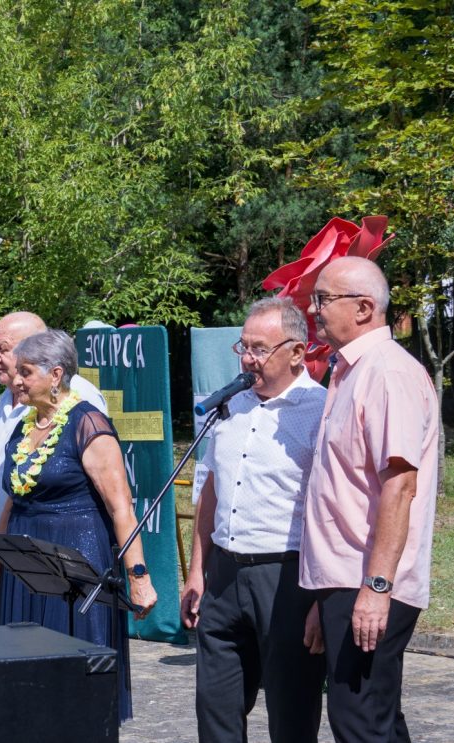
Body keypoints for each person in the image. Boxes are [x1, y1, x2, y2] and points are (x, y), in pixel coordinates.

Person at [0, 329, 157, 722]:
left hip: (75, 561)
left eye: (26, 372)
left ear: (56, 374)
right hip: (25, 566)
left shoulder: (87, 423)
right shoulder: (24, 425)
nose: (17, 380)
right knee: (22, 677)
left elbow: (121, 508)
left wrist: (139, 577)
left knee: (71, 678)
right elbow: (13, 498)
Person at [300, 256, 439, 743]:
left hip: (371, 581)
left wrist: (376, 588)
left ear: (363, 308)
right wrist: (325, 596)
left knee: (360, 722)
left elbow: (399, 486)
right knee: (374, 718)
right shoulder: (349, 372)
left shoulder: (387, 373)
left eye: (323, 299)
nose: (313, 309)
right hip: (346, 581)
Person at [180, 297, 326, 742]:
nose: (247, 358)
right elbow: (211, 490)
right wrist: (196, 571)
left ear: (297, 352)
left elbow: (332, 510)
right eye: (243, 347)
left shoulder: (321, 410)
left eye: (260, 349)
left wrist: (322, 599)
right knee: (215, 709)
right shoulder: (231, 406)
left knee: (291, 714)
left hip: (286, 577)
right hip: (224, 575)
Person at [0, 312, 108, 579]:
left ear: (34, 347)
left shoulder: (77, 395)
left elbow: (109, 491)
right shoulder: (6, 397)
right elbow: (7, 480)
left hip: (55, 549)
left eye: (3, 349)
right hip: (10, 543)